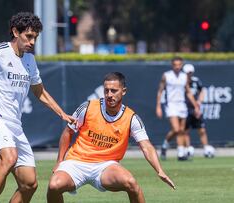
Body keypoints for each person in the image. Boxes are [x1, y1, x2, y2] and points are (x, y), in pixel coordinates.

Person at [0, 12, 75, 203]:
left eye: (35, 38)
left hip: (15, 125)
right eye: (28, 36)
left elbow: (40, 92)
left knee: (30, 184)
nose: (32, 41)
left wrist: (62, 113)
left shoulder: (30, 60)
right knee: (9, 157)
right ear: (15, 32)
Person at [47, 72, 175, 203]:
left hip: (106, 166)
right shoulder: (88, 107)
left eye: (114, 91)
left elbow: (146, 146)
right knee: (54, 186)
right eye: (106, 91)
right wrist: (59, 161)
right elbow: (68, 132)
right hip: (76, 161)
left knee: (131, 183)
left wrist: (159, 170)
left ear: (123, 91)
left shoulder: (131, 118)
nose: (109, 95)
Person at [156, 56, 200, 160]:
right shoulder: (166, 75)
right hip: (171, 105)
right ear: (172, 65)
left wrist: (196, 106)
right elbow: (160, 91)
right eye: (175, 65)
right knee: (176, 129)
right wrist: (158, 106)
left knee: (182, 130)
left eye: (179, 65)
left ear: (182, 65)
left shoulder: (184, 77)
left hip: (182, 105)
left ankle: (180, 153)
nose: (177, 67)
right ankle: (166, 145)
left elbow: (188, 92)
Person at [182, 64, 215, 158]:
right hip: (184, 108)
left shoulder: (196, 81)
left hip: (196, 108)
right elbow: (187, 95)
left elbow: (202, 91)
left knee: (202, 129)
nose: (189, 74)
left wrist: (198, 103)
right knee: (185, 130)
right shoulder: (181, 82)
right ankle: (188, 148)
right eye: (187, 73)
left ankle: (206, 148)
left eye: (190, 72)